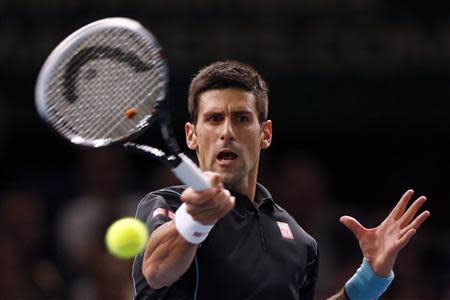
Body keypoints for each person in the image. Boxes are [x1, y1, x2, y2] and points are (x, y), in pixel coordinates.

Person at [132, 61, 430, 299]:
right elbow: (157, 272)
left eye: (241, 118)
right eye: (213, 119)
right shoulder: (168, 205)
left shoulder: (300, 243)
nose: (227, 132)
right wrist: (196, 219)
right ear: (191, 135)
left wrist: (370, 279)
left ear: (266, 134)